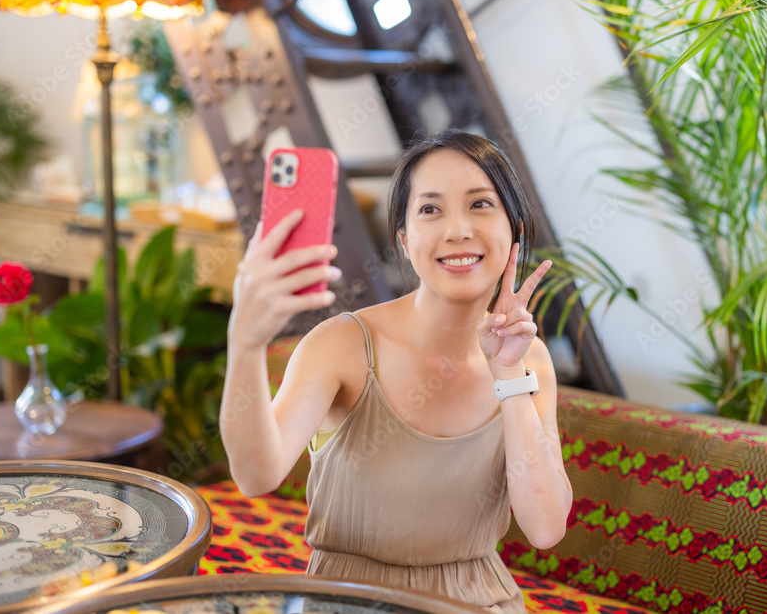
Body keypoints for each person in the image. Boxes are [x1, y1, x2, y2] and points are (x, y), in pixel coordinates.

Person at [220, 130, 573, 612]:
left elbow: (546, 527)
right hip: (348, 601)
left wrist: (508, 375)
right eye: (430, 209)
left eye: (480, 204)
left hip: (479, 601)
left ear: (514, 229)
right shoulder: (341, 345)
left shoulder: (528, 360)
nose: (457, 230)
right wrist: (245, 342)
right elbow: (257, 475)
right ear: (405, 242)